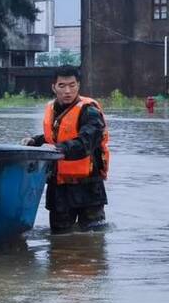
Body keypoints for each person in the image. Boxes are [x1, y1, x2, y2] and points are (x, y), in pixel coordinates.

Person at [21, 65, 110, 234]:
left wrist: (56, 149)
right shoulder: (52, 109)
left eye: (72, 85)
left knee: (94, 241)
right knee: (58, 241)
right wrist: (35, 141)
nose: (67, 91)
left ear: (78, 85)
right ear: (53, 87)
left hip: (88, 188)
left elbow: (85, 142)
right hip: (59, 189)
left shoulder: (90, 111)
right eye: (62, 86)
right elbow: (55, 136)